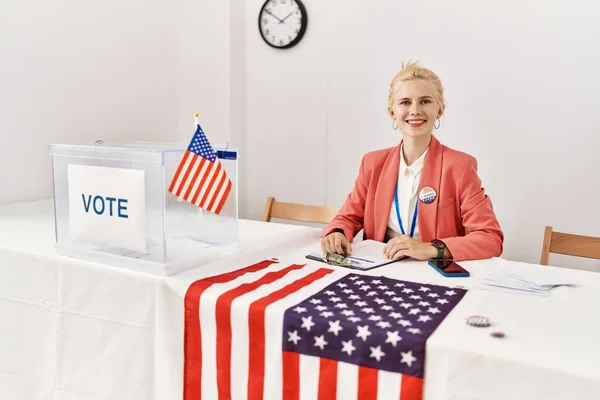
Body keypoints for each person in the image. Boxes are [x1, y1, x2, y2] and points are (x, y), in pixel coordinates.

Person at [321, 61, 503, 262]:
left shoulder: (460, 166)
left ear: (440, 109)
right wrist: (337, 232)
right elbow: (348, 217)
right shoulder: (372, 164)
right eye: (405, 102)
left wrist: (430, 249)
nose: (415, 110)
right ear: (392, 112)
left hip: (432, 277)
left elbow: (490, 238)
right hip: (379, 270)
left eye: (425, 101)